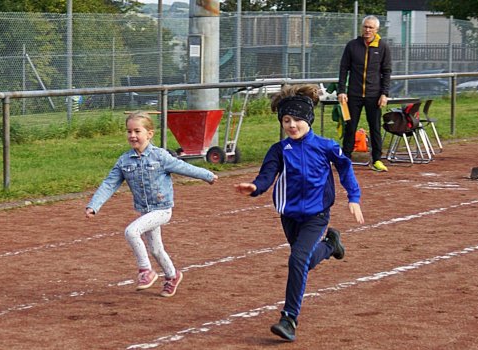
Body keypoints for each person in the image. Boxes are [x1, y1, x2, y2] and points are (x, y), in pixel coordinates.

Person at [234, 84, 364, 342]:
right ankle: (330, 245)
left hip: (317, 216)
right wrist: (255, 187)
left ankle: (289, 319)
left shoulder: (326, 146)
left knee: (297, 260)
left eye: (297, 119)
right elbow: (266, 175)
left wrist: (354, 197)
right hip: (290, 216)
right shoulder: (279, 150)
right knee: (305, 262)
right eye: (286, 120)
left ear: (309, 119)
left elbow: (345, 167)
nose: (292, 125)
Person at [85, 112, 217, 297]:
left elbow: (184, 168)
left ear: (149, 134)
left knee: (131, 231)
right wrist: (94, 205)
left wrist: (208, 175)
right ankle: (172, 276)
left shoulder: (160, 156)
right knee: (155, 249)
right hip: (145, 211)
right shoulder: (124, 161)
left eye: (137, 131)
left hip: (162, 209)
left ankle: (145, 271)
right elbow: (109, 183)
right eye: (129, 131)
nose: (132, 135)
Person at [337, 15, 392, 172]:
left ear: (377, 29)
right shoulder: (352, 46)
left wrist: (384, 94)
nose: (367, 30)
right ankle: (345, 160)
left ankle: (377, 160)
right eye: (365, 27)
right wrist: (342, 91)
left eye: (371, 27)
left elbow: (386, 72)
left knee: (375, 127)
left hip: (374, 96)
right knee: (350, 127)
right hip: (353, 95)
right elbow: (343, 69)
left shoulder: (383, 47)